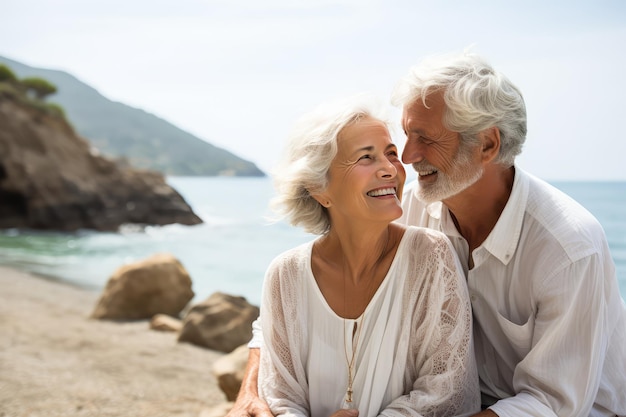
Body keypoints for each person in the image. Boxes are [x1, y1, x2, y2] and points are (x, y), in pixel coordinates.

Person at [228, 51, 626, 417]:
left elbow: (553, 403)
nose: (406, 156)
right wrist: (251, 388)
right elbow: (289, 304)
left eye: (426, 138)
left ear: (487, 144)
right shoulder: (411, 203)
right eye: (406, 134)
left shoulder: (568, 247)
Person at [256, 95, 480, 417]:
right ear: (320, 189)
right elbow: (279, 395)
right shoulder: (285, 274)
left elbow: (445, 390)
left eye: (391, 154)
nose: (390, 169)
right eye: (366, 158)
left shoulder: (431, 256)